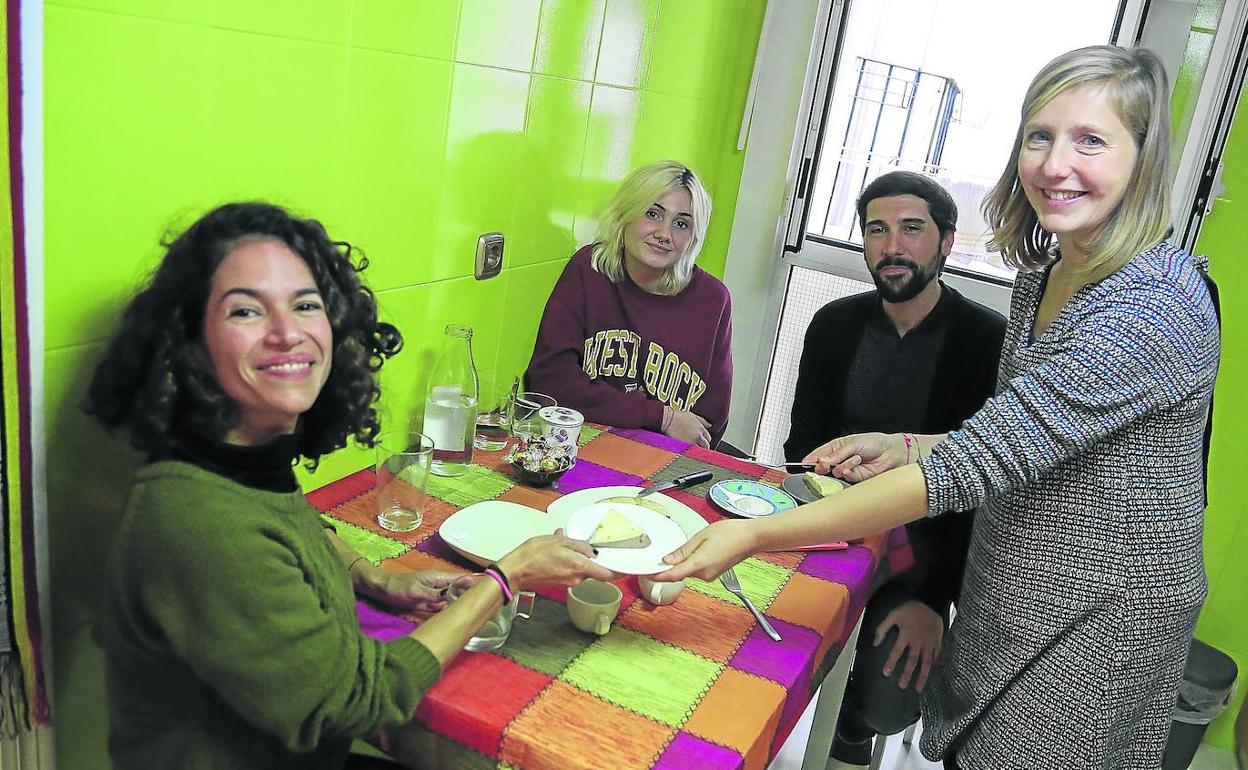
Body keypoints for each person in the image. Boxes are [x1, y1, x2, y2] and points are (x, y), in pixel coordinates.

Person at [658, 46, 1219, 770]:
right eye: (1039, 136)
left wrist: (756, 536)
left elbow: (976, 463)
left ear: (1143, 158)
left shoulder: (1153, 304)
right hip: (1013, 586)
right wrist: (908, 443)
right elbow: (1021, 436)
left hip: (1098, 617)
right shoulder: (1048, 275)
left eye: (1091, 140)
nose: (1054, 164)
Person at [84, 202, 614, 770]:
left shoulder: (236, 461)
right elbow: (362, 703)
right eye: (245, 311)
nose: (287, 333)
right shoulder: (190, 519)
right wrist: (505, 578)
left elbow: (290, 524)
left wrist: (376, 577)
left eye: (306, 305)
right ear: (189, 344)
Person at [784, 171, 1005, 767]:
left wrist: (933, 600)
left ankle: (849, 734)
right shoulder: (833, 324)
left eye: (912, 229)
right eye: (877, 230)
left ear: (946, 242)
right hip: (830, 528)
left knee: (887, 703)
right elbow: (803, 442)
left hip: (923, 555)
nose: (892, 247)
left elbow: (987, 490)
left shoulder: (989, 341)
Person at [525, 160, 733, 448]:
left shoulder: (713, 300)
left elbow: (708, 422)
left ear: (693, 237)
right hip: (583, 444)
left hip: (663, 457)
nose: (664, 234)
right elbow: (549, 381)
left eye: (681, 223)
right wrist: (663, 417)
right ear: (626, 214)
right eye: (652, 214)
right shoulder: (589, 269)